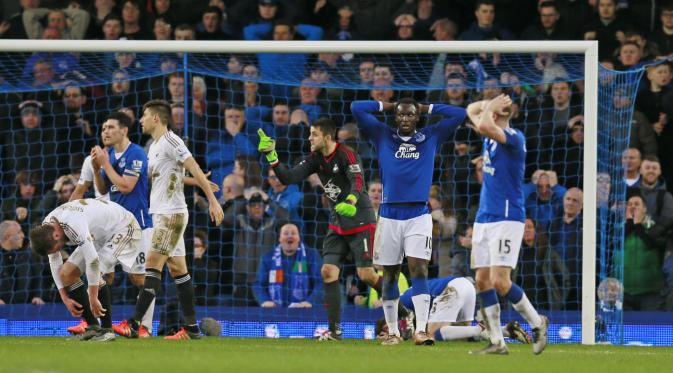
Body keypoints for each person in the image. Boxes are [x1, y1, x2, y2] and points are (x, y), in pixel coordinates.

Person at [350, 96, 467, 346]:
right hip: (389, 215)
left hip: (419, 215)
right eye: (401, 115)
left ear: (417, 117)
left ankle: (421, 330)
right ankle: (393, 333)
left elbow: (459, 114)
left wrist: (428, 107)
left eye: (410, 114)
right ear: (395, 117)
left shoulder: (430, 135)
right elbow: (356, 108)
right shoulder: (383, 135)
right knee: (390, 275)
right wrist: (388, 105)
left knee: (419, 270)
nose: (405, 118)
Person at [257, 117, 383, 340]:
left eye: (313, 134)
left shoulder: (347, 153)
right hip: (338, 222)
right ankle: (334, 331)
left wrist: (352, 201)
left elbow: (358, 180)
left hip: (360, 218)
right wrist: (272, 156)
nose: (309, 138)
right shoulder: (315, 159)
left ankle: (405, 312)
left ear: (327, 137)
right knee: (327, 272)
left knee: (367, 275)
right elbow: (289, 177)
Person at [114, 99, 224, 340]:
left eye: (143, 116)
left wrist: (212, 200)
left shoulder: (172, 141)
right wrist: (195, 182)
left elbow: (193, 165)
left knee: (152, 265)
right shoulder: (153, 146)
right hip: (162, 213)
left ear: (155, 118)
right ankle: (192, 329)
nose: (140, 120)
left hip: (171, 214)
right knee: (178, 270)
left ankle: (134, 324)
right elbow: (170, 175)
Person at [465, 94, 548, 355]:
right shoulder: (490, 135)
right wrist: (491, 102)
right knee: (482, 280)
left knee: (501, 281)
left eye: (492, 111)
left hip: (507, 217)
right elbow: (470, 109)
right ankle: (497, 341)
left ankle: (537, 323)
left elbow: (484, 124)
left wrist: (490, 107)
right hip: (484, 216)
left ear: (500, 115)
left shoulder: (514, 138)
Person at [29, 198, 143, 341]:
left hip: (124, 228)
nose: (59, 250)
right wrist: (65, 298)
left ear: (56, 235)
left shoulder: (73, 224)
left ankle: (107, 330)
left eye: (57, 248)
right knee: (67, 273)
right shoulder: (47, 227)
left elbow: (93, 261)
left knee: (97, 273)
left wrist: (93, 297)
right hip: (98, 234)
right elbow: (55, 262)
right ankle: (93, 327)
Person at [84, 111, 155, 337]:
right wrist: (97, 169)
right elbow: (105, 189)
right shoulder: (110, 155)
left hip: (139, 225)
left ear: (124, 130)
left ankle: (144, 326)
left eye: (110, 127)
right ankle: (100, 324)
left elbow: (126, 186)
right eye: (103, 128)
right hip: (116, 226)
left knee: (138, 278)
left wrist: (105, 163)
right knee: (102, 273)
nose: (105, 131)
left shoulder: (136, 154)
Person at [375, 276, 530, 345]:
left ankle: (480, 328)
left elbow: (408, 329)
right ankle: (506, 330)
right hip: (466, 287)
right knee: (462, 336)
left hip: (452, 289)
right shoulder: (408, 303)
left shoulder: (401, 303)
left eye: (386, 328)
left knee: (432, 335)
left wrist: (393, 335)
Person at [253, 223, 322, 308]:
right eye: (286, 233)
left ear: (299, 238)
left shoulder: (311, 255)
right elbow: (258, 284)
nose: (290, 236)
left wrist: (310, 301)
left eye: (293, 233)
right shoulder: (268, 257)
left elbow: (321, 282)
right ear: (280, 238)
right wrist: (264, 300)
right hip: (274, 312)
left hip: (305, 311)